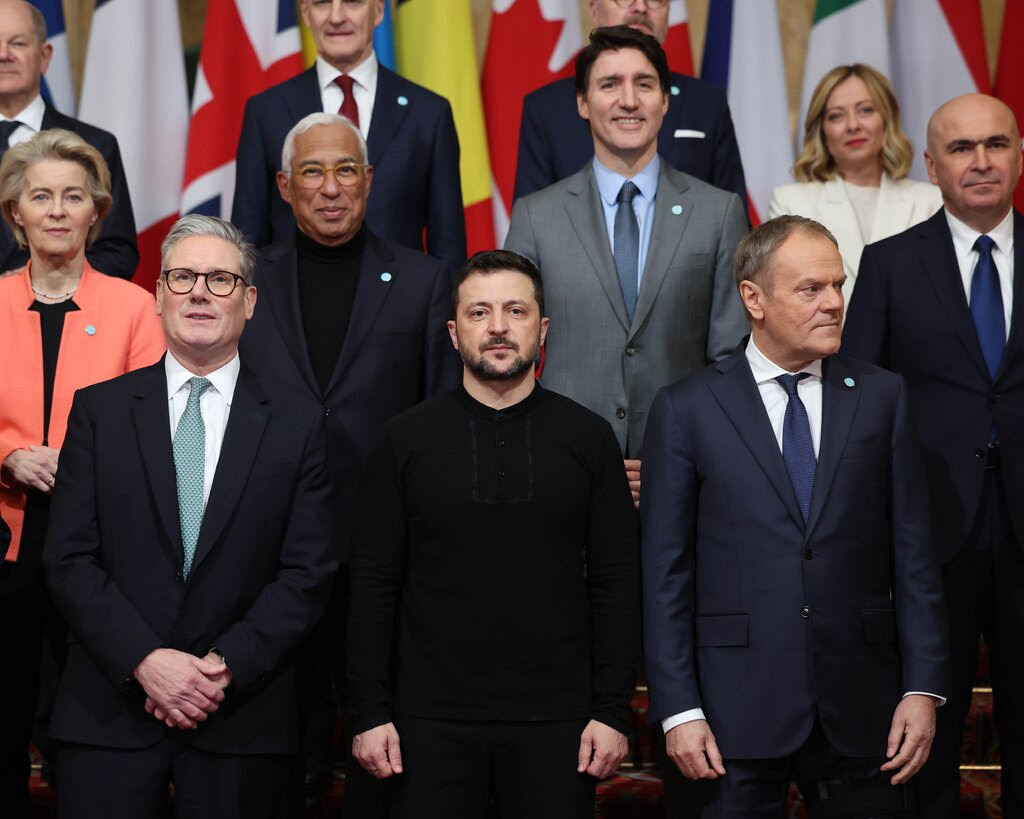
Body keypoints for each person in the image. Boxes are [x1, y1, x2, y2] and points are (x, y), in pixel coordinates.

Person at [642, 215, 949, 817]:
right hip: (733, 714)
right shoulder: (686, 408)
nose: (834, 303)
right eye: (811, 289)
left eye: (837, 285)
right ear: (753, 298)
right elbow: (665, 573)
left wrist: (921, 687)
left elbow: (914, 555)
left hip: (864, 712)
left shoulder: (883, 396)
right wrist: (678, 709)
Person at [43, 215, 339, 819]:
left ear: (250, 301)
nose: (199, 292)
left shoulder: (299, 423)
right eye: (181, 277)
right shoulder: (98, 413)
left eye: (220, 280)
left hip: (242, 725)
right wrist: (145, 661)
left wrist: (221, 670)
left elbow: (308, 572)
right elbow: (68, 557)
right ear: (157, 295)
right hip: (109, 719)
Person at [347, 249, 640, 819]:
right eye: (480, 313)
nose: (499, 327)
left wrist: (612, 710)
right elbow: (373, 584)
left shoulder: (590, 438)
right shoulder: (402, 440)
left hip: (560, 724)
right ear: (454, 334)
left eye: (515, 310)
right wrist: (368, 710)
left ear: (542, 327)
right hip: (425, 724)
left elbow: (616, 581)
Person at [237, 111, 459, 810]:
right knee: (277, 745)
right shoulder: (244, 281)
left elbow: (444, 417)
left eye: (344, 171)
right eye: (311, 171)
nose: (329, 187)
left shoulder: (425, 280)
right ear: (282, 185)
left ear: (368, 181)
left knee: (381, 747)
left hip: (383, 544)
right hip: (268, 548)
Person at [843, 93, 1024, 819]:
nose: (980, 161)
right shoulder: (887, 265)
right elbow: (856, 404)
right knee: (928, 739)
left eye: (996, 144)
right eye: (960, 148)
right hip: (927, 536)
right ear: (931, 164)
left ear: (1018, 154)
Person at [505, 25, 748, 497]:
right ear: (582, 102)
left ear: (665, 101)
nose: (628, 100)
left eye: (644, 83)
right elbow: (513, 350)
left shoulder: (719, 213)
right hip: (562, 472)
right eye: (609, 84)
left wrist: (685, 454)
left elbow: (730, 359)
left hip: (684, 473)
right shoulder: (535, 215)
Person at [0, 128, 163, 817]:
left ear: (98, 211)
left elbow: (152, 416)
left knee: (92, 706)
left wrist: (83, 459)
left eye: (74, 196)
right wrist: (6, 451)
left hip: (100, 542)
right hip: (6, 534)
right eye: (42, 197)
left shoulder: (134, 305)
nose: (59, 210)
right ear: (16, 214)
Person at [232, 0, 465, 267]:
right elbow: (247, 244)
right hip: (295, 303)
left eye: (352, 2)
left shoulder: (428, 113)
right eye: (322, 4)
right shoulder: (265, 112)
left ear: (377, 11)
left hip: (404, 306)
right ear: (306, 13)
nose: (336, 17)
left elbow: (449, 251)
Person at [514, 0, 747, 216]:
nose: (640, 7)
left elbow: (734, 226)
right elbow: (533, 225)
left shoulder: (707, 102)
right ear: (593, 8)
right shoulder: (545, 107)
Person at [769, 64, 941, 304]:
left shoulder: (931, 201)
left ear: (887, 119)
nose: (852, 125)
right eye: (836, 116)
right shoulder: (791, 202)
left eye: (866, 110)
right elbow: (785, 297)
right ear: (822, 130)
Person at [0, 0, 137, 278]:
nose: (3, 55)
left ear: (45, 56)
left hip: (64, 316)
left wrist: (39, 281)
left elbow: (118, 254)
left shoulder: (94, 145)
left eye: (18, 43)